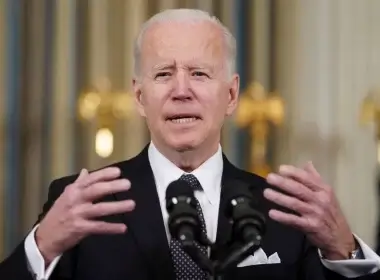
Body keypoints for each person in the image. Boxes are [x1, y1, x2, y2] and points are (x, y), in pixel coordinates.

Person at [1, 8, 380, 280]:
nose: (181, 91)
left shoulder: (283, 210)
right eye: (164, 74)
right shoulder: (85, 203)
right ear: (138, 97)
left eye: (199, 73)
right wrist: (44, 245)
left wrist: (344, 249)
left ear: (231, 95)